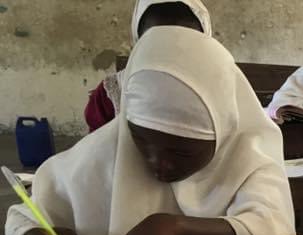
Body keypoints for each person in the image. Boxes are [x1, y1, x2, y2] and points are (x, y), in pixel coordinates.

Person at [6, 26, 294, 235]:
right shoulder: (102, 152)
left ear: (223, 132)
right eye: (141, 141)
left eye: (181, 150)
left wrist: (172, 226)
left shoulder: (248, 152)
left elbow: (273, 227)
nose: (159, 164)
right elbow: (23, 217)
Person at [84, 0, 212, 134]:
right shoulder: (110, 97)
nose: (171, 54)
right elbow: (95, 151)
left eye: (187, 42)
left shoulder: (223, 93)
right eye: (157, 42)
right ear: (139, 41)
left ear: (204, 41)